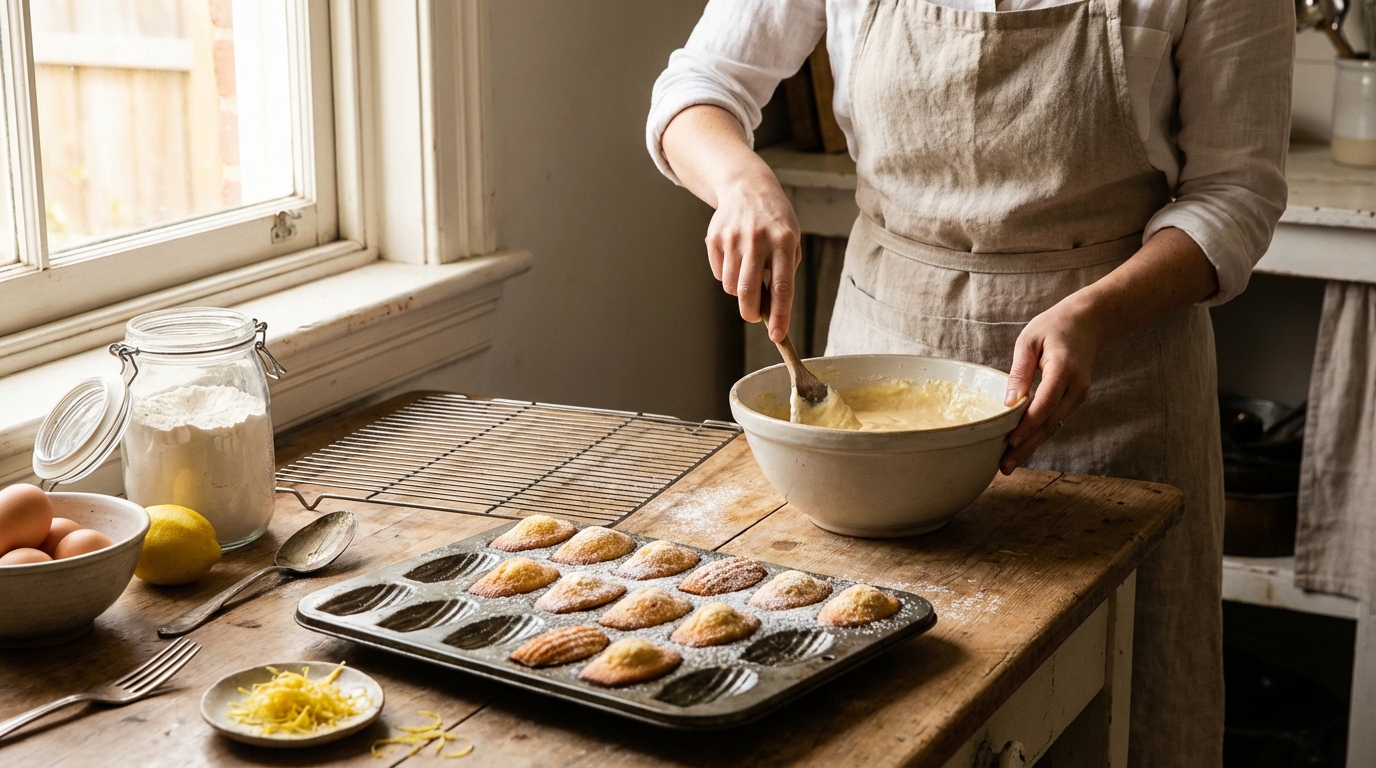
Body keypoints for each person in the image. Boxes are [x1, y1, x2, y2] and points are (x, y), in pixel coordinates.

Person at [647, 0, 1293, 764]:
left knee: (1117, 712)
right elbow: (699, 85)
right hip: (885, 356)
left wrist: (1093, 315)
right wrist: (741, 182)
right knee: (891, 703)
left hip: (1113, 379)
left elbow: (1237, 194)